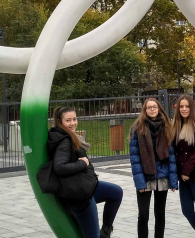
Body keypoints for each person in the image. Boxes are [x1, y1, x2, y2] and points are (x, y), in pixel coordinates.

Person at [47, 106, 123, 238]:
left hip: (86, 187)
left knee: (116, 192)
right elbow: (59, 167)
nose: (72, 123)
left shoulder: (69, 136)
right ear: (60, 121)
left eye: (74, 119)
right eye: (68, 120)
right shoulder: (64, 141)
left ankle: (105, 231)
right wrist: (82, 163)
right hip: (79, 195)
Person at [129, 98, 178, 238]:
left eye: (154, 107)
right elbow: (135, 158)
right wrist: (139, 182)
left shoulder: (168, 127)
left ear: (159, 109)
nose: (152, 109)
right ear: (144, 110)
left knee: (160, 214)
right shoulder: (137, 128)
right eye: (149, 107)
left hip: (163, 175)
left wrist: (173, 180)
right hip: (145, 176)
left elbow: (172, 156)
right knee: (143, 215)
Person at [172, 95, 195, 238]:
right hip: (183, 176)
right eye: (181, 106)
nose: (184, 109)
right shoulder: (176, 126)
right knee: (187, 210)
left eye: (187, 106)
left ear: (192, 108)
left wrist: (187, 170)